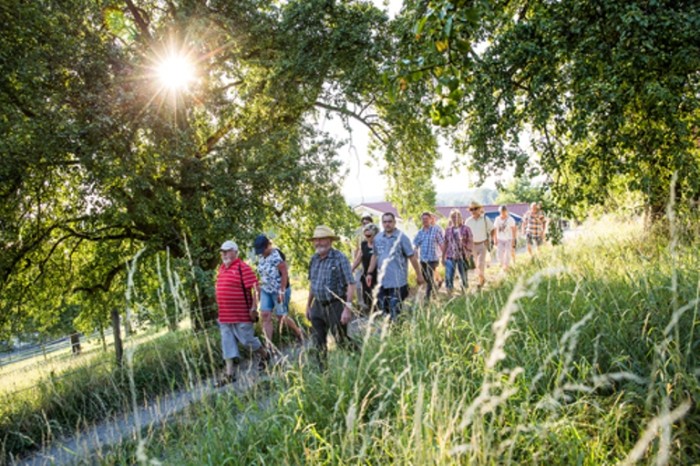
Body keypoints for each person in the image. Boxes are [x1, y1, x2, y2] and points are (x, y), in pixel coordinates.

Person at [215, 240, 270, 386]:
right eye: (223, 252)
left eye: (227, 251)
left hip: (241, 315)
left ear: (235, 252)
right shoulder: (221, 269)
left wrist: (253, 308)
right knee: (227, 344)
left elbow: (256, 289)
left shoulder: (242, 268)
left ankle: (265, 355)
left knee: (247, 340)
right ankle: (229, 374)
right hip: (225, 316)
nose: (224, 254)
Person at [306, 225, 357, 361]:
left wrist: (347, 308)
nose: (318, 243)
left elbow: (351, 283)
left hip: (335, 305)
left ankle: (359, 358)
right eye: (316, 240)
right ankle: (323, 374)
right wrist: (308, 306)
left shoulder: (340, 258)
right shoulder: (314, 259)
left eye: (321, 239)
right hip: (317, 306)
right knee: (318, 343)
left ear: (330, 240)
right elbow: (312, 283)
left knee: (341, 340)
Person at [366, 212, 424, 320]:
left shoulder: (402, 238)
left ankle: (397, 333)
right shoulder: (378, 238)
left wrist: (419, 275)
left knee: (395, 313)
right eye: (385, 222)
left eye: (389, 221)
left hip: (398, 282)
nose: (387, 224)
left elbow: (412, 257)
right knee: (383, 313)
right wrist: (369, 273)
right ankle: (387, 334)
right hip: (382, 282)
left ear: (394, 222)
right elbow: (374, 256)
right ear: (382, 223)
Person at [253, 234, 304, 348]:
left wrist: (281, 292)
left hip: (279, 289)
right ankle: (269, 346)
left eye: (263, 249)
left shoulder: (277, 254)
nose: (261, 252)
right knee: (265, 315)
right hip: (266, 289)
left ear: (267, 245)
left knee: (281, 317)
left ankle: (298, 332)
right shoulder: (261, 256)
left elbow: (284, 274)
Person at [413, 211, 445, 300]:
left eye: (426, 219)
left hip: (433, 258)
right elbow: (416, 243)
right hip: (423, 259)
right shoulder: (420, 232)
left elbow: (441, 243)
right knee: (426, 277)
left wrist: (444, 256)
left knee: (430, 276)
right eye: (423, 219)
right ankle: (435, 288)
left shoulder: (435, 230)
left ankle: (427, 297)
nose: (425, 220)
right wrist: (415, 250)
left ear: (430, 220)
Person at [442, 209, 473, 294]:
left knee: (463, 275)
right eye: (453, 217)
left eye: (457, 217)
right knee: (449, 275)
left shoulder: (466, 229)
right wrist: (443, 256)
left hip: (462, 255)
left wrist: (469, 252)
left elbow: (470, 241)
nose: (455, 219)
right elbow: (445, 243)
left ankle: (464, 290)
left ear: (460, 217)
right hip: (450, 255)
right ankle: (449, 290)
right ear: (451, 218)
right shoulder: (448, 230)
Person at [465, 201, 495, 288]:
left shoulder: (485, 219)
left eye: (475, 209)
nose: (473, 211)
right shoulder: (468, 221)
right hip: (473, 245)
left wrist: (491, 239)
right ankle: (482, 279)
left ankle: (480, 281)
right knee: (476, 263)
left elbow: (492, 229)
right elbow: (465, 234)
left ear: (479, 209)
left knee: (480, 263)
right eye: (471, 209)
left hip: (483, 244)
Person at [351, 223, 379, 312]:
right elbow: (358, 258)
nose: (367, 236)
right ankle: (370, 312)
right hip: (366, 273)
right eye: (365, 234)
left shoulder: (379, 244)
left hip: (378, 274)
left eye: (369, 234)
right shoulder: (363, 245)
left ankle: (379, 311)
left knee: (377, 294)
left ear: (375, 234)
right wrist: (351, 269)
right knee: (366, 294)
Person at [352, 215, 374, 308]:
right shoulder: (360, 238)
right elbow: (357, 250)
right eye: (364, 223)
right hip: (362, 265)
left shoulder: (377, 238)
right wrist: (353, 266)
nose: (366, 225)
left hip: (374, 268)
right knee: (359, 284)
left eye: (368, 223)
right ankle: (362, 304)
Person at [493, 206, 517, 271]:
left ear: (506, 211)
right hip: (500, 239)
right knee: (499, 254)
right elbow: (495, 229)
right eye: (501, 212)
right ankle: (503, 265)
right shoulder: (497, 219)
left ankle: (506, 268)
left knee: (507, 254)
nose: (503, 213)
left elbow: (514, 229)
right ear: (499, 212)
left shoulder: (510, 219)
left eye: (504, 211)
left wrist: (513, 239)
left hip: (509, 239)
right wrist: (494, 239)